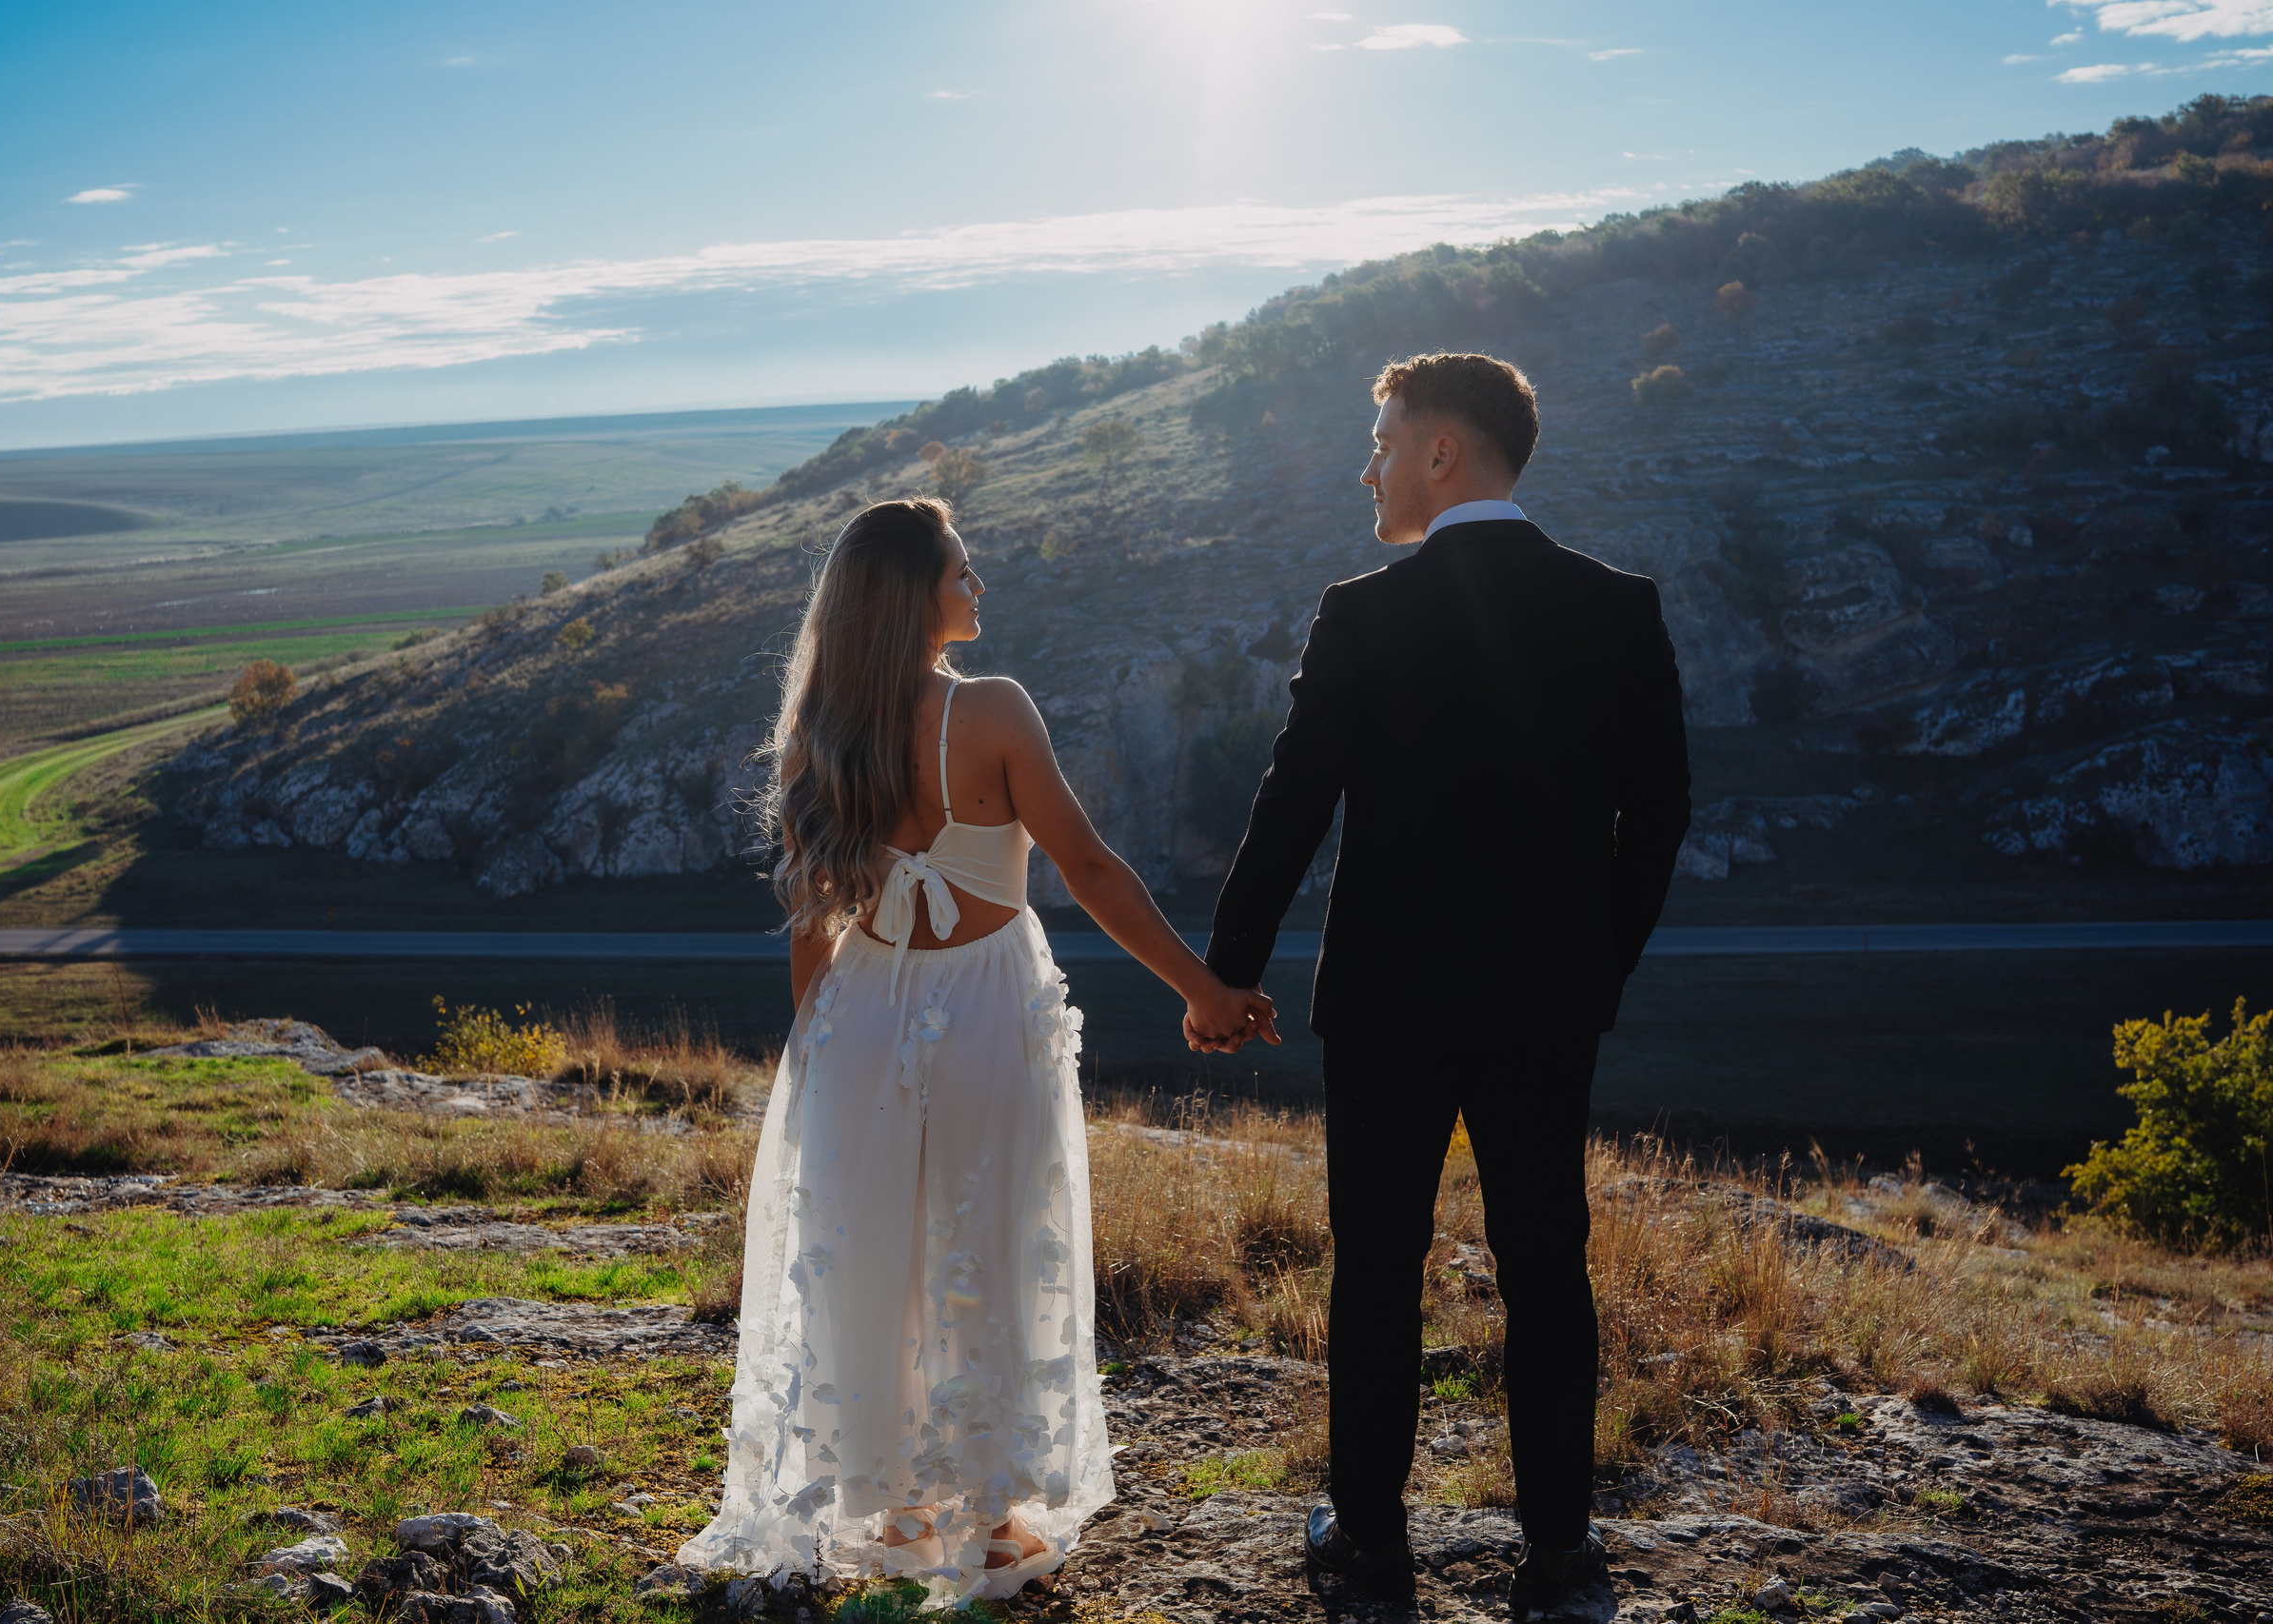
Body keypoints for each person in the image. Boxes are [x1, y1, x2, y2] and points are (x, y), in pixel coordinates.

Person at [680, 497, 1274, 1605]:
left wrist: (813, 1049)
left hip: (861, 1004)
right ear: (917, 594)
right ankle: (991, 1515)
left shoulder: (821, 725)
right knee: (990, 1231)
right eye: (963, 567)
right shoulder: (991, 711)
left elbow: (814, 917)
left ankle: (897, 1497)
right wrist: (1205, 990)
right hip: (984, 1006)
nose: (979, 582)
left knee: (874, 1244)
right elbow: (1089, 869)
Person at [1197, 353, 1691, 1614]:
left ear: (1441, 454)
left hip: (1384, 1001)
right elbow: (1665, 811)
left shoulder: (1362, 613)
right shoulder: (1618, 607)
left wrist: (1226, 976)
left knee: (1376, 1264)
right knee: (1547, 1262)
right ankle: (1559, 1547)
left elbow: (1292, 800)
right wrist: (1598, 964)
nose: (1365, 466)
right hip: (1546, 1003)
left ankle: (1369, 1536)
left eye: (1380, 439)